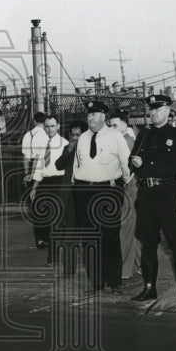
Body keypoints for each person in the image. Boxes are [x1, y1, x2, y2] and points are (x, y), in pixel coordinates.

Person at [128, 95, 176, 304]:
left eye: (158, 109)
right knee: (147, 242)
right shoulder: (144, 136)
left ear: (167, 110)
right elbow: (132, 163)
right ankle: (149, 288)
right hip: (147, 195)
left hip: (171, 193)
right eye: (151, 109)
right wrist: (135, 164)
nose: (153, 113)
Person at [70, 100, 133, 295]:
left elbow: (127, 163)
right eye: (88, 114)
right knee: (89, 238)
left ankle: (114, 281)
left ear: (103, 116)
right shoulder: (83, 138)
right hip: (84, 191)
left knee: (110, 235)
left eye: (94, 114)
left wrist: (120, 186)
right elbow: (76, 165)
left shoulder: (115, 136)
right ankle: (96, 283)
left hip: (108, 190)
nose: (90, 118)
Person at [28, 114, 70, 263]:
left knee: (55, 220)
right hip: (44, 183)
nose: (50, 129)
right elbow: (39, 168)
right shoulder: (42, 144)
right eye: (47, 126)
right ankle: (53, 246)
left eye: (52, 126)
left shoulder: (65, 144)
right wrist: (34, 188)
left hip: (59, 183)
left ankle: (53, 255)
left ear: (58, 126)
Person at [108, 111, 141, 279]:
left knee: (125, 228)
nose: (111, 128)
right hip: (127, 186)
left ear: (124, 124)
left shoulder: (126, 141)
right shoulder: (126, 138)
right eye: (110, 125)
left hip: (128, 187)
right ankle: (139, 263)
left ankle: (124, 269)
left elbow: (128, 170)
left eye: (115, 125)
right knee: (131, 226)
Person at [53, 119, 87, 277]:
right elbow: (58, 165)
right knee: (70, 234)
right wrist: (69, 150)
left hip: (85, 193)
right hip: (69, 196)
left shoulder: (89, 148)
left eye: (78, 135)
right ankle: (68, 269)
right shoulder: (68, 147)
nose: (75, 138)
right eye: (72, 135)